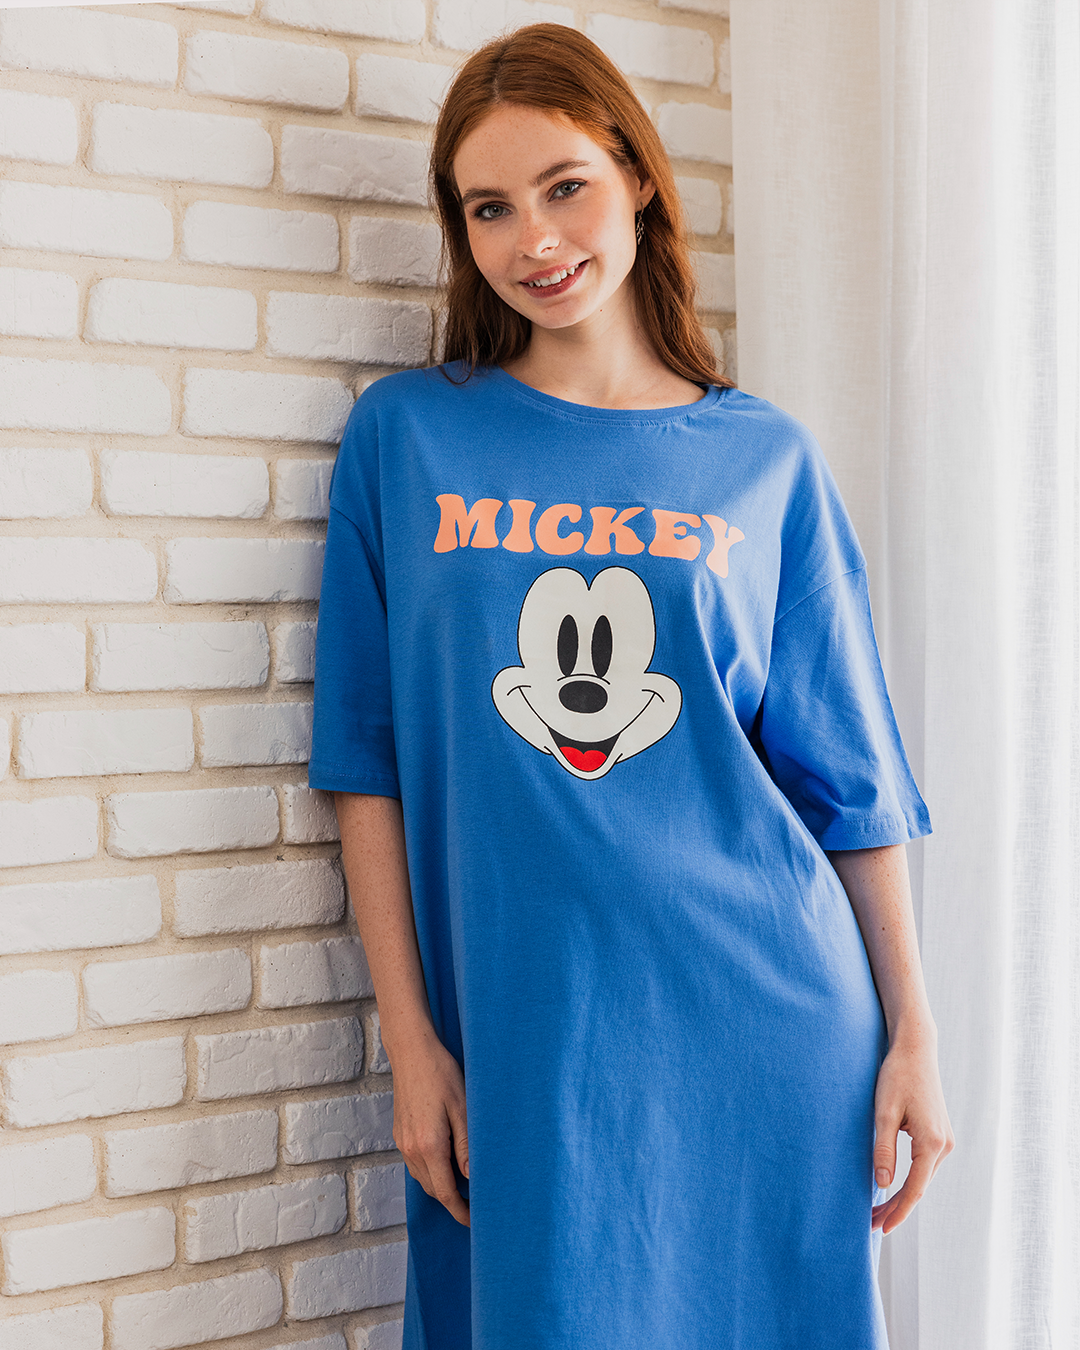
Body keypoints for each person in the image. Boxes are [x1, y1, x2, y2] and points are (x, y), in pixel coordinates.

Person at [309, 22, 953, 1350]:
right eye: (489, 207)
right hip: (525, 1037)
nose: (534, 240)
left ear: (640, 179)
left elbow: (849, 783)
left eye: (566, 187)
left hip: (765, 1024)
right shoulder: (406, 438)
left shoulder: (764, 460)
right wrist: (411, 1045)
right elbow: (364, 760)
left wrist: (914, 1036)